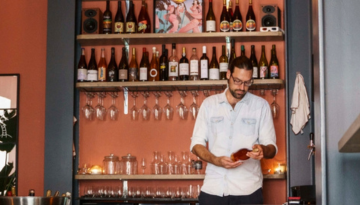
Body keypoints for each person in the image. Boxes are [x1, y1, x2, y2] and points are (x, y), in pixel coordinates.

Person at [190, 56, 277, 205]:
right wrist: (216, 160)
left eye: (247, 83)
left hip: (248, 192)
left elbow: (272, 148)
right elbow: (196, 144)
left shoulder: (261, 106)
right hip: (213, 189)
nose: (242, 88)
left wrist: (263, 150)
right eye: (237, 81)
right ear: (228, 74)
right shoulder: (209, 104)